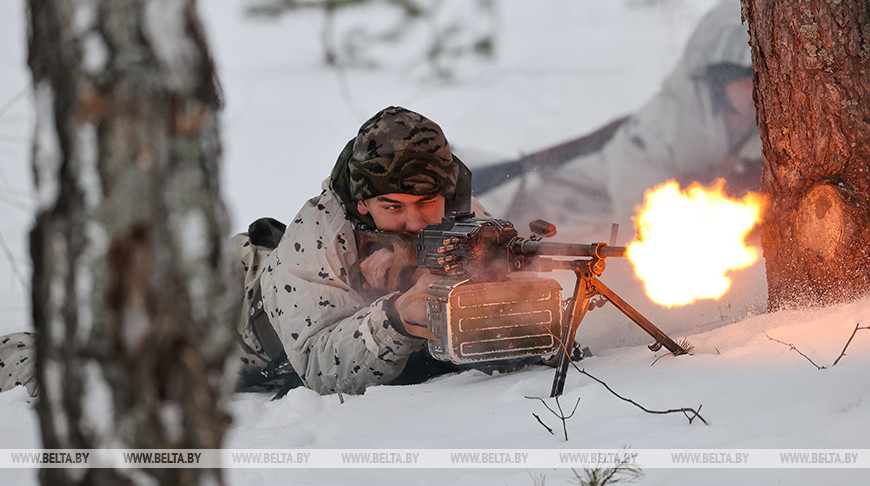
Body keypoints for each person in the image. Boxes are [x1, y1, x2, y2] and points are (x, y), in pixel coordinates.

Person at [233, 106, 493, 396]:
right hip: (231, 311)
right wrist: (396, 318)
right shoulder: (319, 231)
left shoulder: (465, 221)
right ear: (363, 203)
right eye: (393, 207)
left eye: (426, 202)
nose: (416, 222)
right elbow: (317, 365)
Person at [476, 0, 760, 241]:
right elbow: (640, 220)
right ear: (719, 78)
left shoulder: (758, 125)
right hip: (568, 215)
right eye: (745, 78)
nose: (757, 87)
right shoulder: (664, 128)